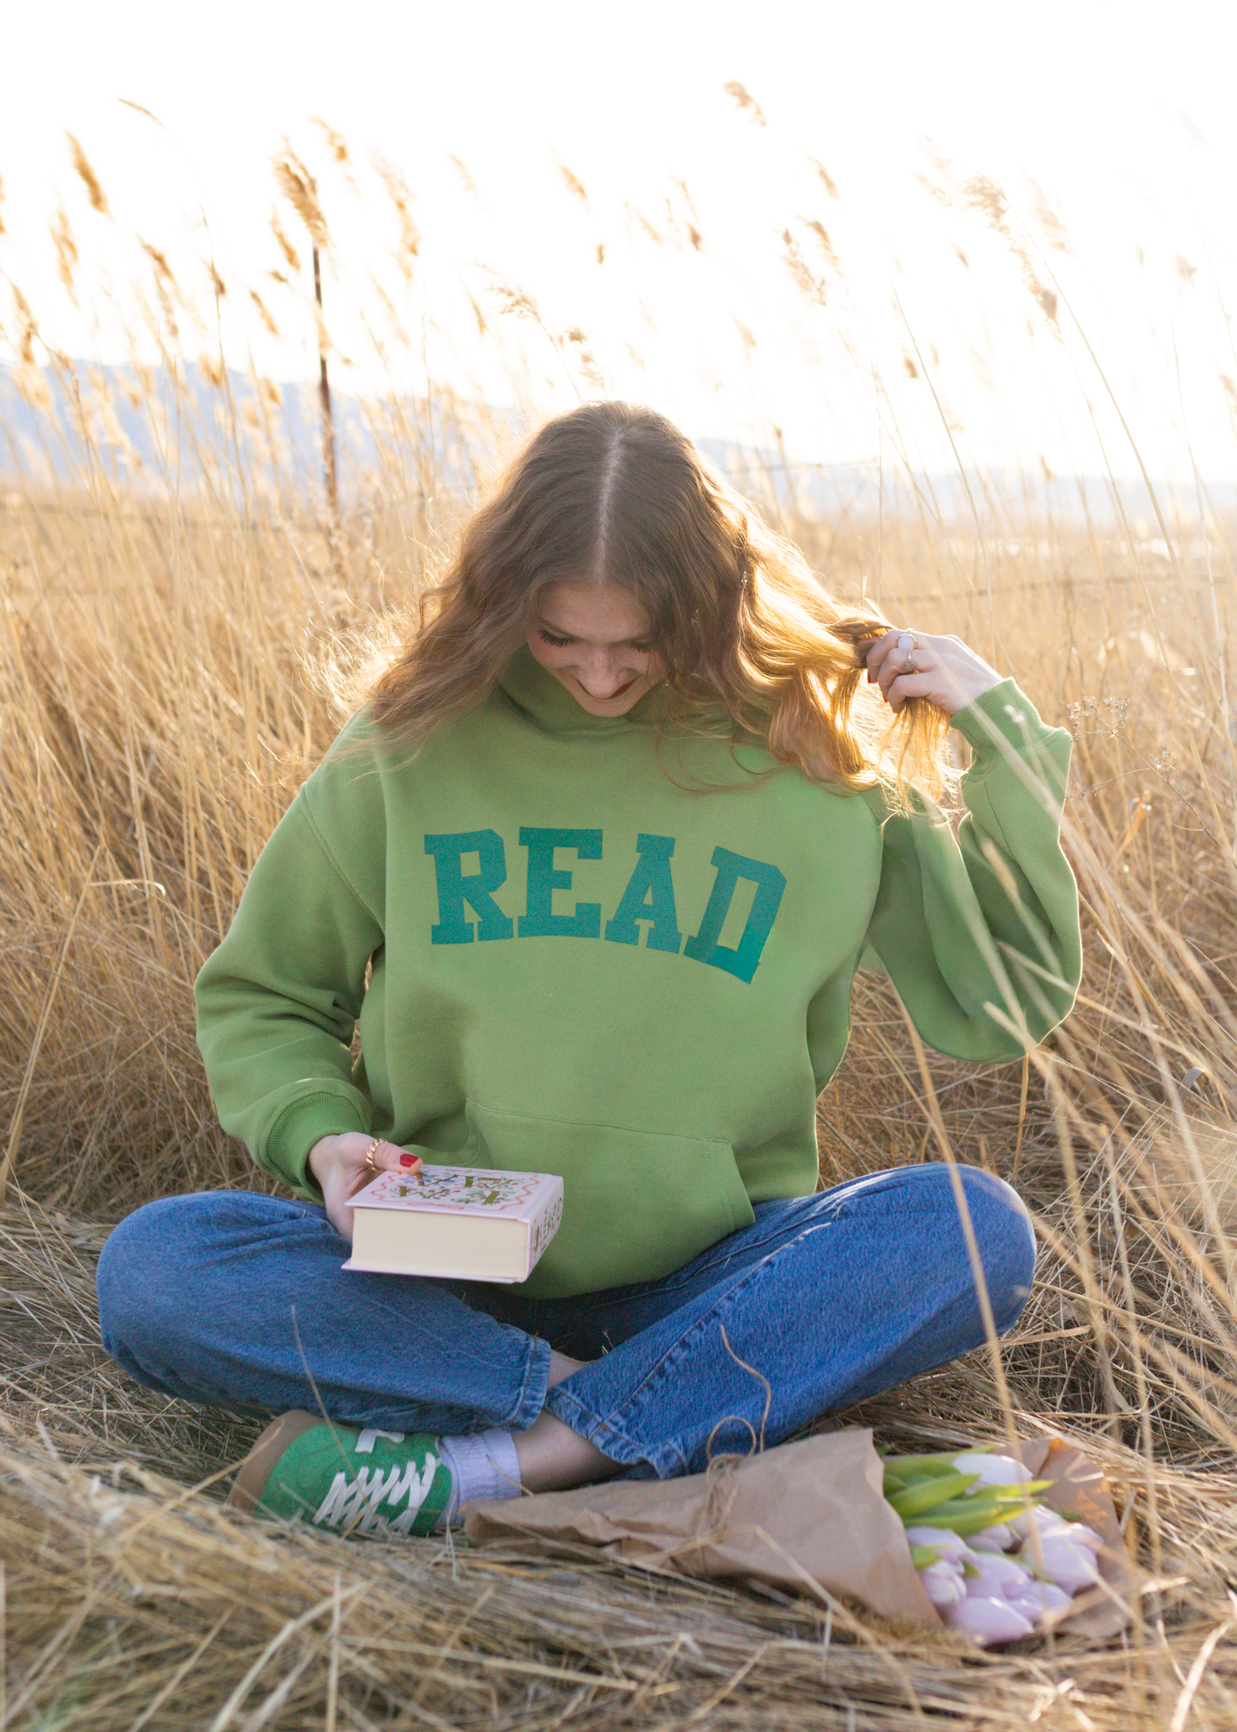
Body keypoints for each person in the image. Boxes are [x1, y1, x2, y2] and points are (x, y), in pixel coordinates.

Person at [96, 401, 1081, 1539]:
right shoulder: (410, 745)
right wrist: (321, 1138)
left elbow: (1001, 1002)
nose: (601, 676)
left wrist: (1002, 739)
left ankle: (513, 1461)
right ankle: (648, 1416)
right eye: (560, 638)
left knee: (971, 1228)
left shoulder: (810, 758)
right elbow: (266, 994)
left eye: (639, 642)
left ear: (709, 604)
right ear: (502, 603)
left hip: (708, 1280)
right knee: (155, 1270)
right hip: (441, 1279)